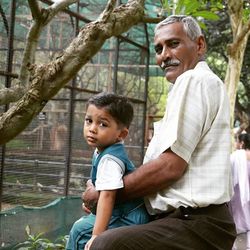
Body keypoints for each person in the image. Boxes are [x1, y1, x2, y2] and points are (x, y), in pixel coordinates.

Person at [82, 15, 237, 249]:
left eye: (173, 44)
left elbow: (169, 167)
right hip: (184, 221)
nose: (164, 55)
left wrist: (107, 194)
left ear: (200, 45)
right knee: (84, 231)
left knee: (105, 245)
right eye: (158, 48)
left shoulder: (194, 79)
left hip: (196, 223)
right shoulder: (197, 84)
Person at [66, 92, 150, 250]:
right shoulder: (103, 149)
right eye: (89, 121)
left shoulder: (110, 159)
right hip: (122, 212)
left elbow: (108, 195)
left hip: (127, 217)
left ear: (121, 134)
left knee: (79, 231)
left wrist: (97, 236)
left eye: (102, 124)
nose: (92, 129)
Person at [229, 133, 250, 249]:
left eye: (236, 141)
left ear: (241, 143)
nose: (235, 143)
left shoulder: (237, 156)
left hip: (238, 191)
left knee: (239, 211)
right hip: (247, 191)